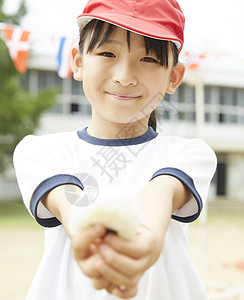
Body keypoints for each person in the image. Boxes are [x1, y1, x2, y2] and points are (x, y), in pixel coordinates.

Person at [13, 0, 217, 299]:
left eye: (148, 59)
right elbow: (70, 201)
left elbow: (161, 192)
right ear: (78, 62)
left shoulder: (189, 154)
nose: (125, 76)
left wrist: (146, 235)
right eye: (108, 53)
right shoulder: (41, 151)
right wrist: (88, 230)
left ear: (174, 77)